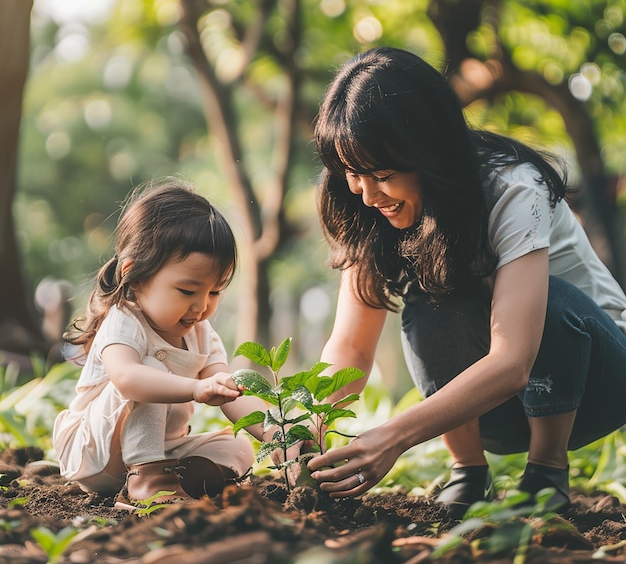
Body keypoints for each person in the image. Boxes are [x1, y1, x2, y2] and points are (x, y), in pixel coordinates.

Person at [306, 47, 626, 519]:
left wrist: (392, 437)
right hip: (494, 410)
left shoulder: (513, 188)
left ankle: (546, 472)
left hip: (597, 385)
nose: (368, 195)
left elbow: (514, 359)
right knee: (433, 300)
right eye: (354, 174)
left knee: (552, 300)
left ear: (428, 154)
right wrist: (303, 432)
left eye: (383, 176)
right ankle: (468, 472)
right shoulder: (367, 210)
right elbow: (350, 350)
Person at [53, 179, 266, 508]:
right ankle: (149, 479)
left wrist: (277, 433)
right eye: (187, 291)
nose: (201, 306)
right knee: (149, 371)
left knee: (237, 450)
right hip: (96, 454)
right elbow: (128, 379)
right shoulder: (124, 321)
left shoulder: (201, 332)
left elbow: (228, 391)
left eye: (215, 291)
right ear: (135, 277)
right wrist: (195, 389)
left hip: (165, 450)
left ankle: (170, 478)